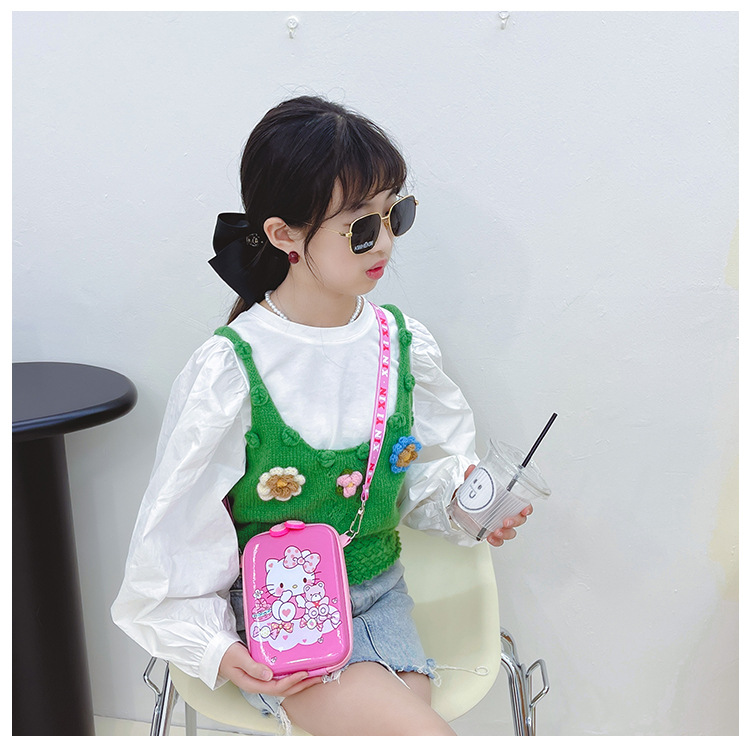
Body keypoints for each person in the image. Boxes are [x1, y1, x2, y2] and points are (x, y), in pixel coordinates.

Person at [112, 95, 532, 736]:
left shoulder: (403, 345)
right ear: (283, 234)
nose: (384, 242)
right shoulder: (231, 370)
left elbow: (424, 475)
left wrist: (468, 505)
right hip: (281, 615)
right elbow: (175, 536)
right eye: (361, 227)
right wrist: (216, 647)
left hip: (383, 597)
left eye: (395, 215)